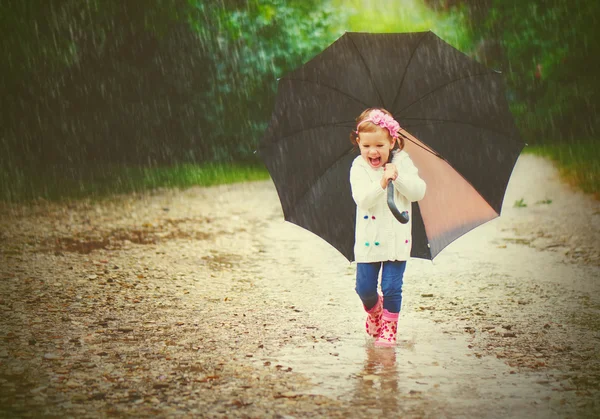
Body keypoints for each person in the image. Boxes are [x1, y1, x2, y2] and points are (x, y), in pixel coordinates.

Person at [349, 108, 426, 347]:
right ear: (358, 141)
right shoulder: (358, 167)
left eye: (380, 145)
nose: (373, 151)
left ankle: (389, 330)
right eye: (367, 146)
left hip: (396, 240)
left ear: (392, 141)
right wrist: (382, 181)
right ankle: (375, 312)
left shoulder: (402, 161)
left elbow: (418, 191)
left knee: (392, 287)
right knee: (365, 289)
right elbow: (363, 199)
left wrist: (398, 176)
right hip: (368, 241)